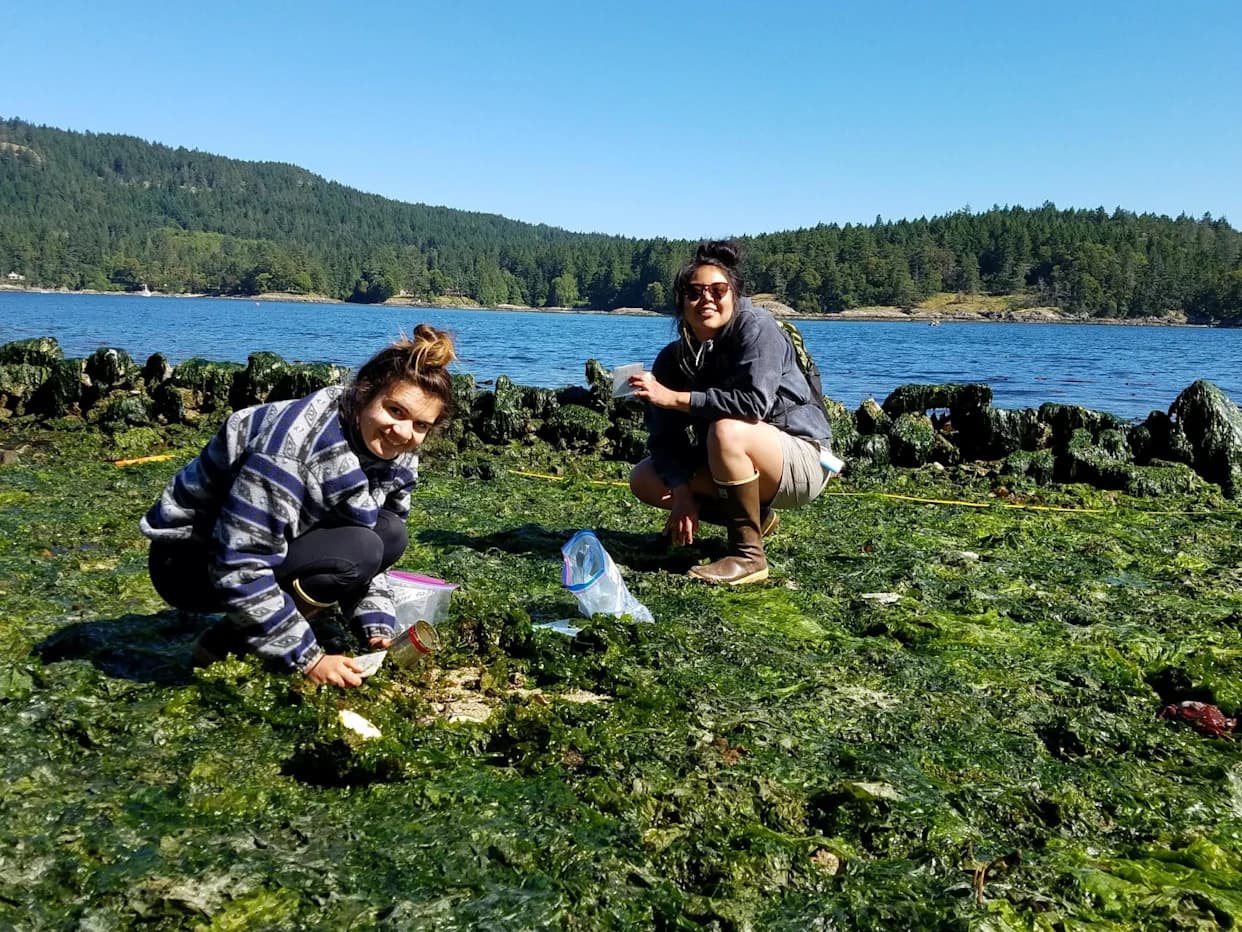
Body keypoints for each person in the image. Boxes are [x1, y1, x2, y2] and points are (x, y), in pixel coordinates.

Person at [140, 324, 456, 688]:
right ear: (364, 392)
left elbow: (377, 553)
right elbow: (238, 564)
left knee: (389, 533)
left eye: (420, 425)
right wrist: (308, 659)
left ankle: (262, 629)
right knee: (361, 548)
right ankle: (222, 645)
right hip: (187, 561)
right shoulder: (293, 450)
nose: (403, 432)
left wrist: (375, 627)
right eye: (395, 411)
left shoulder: (398, 453)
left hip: (260, 547)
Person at [627, 241, 835, 585]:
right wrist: (681, 494)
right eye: (694, 292)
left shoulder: (757, 328)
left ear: (733, 294)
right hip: (743, 460)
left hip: (803, 457)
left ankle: (748, 555)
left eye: (717, 290)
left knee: (726, 430)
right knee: (645, 479)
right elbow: (664, 438)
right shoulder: (673, 358)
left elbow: (752, 404)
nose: (706, 299)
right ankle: (758, 518)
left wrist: (676, 398)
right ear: (682, 302)